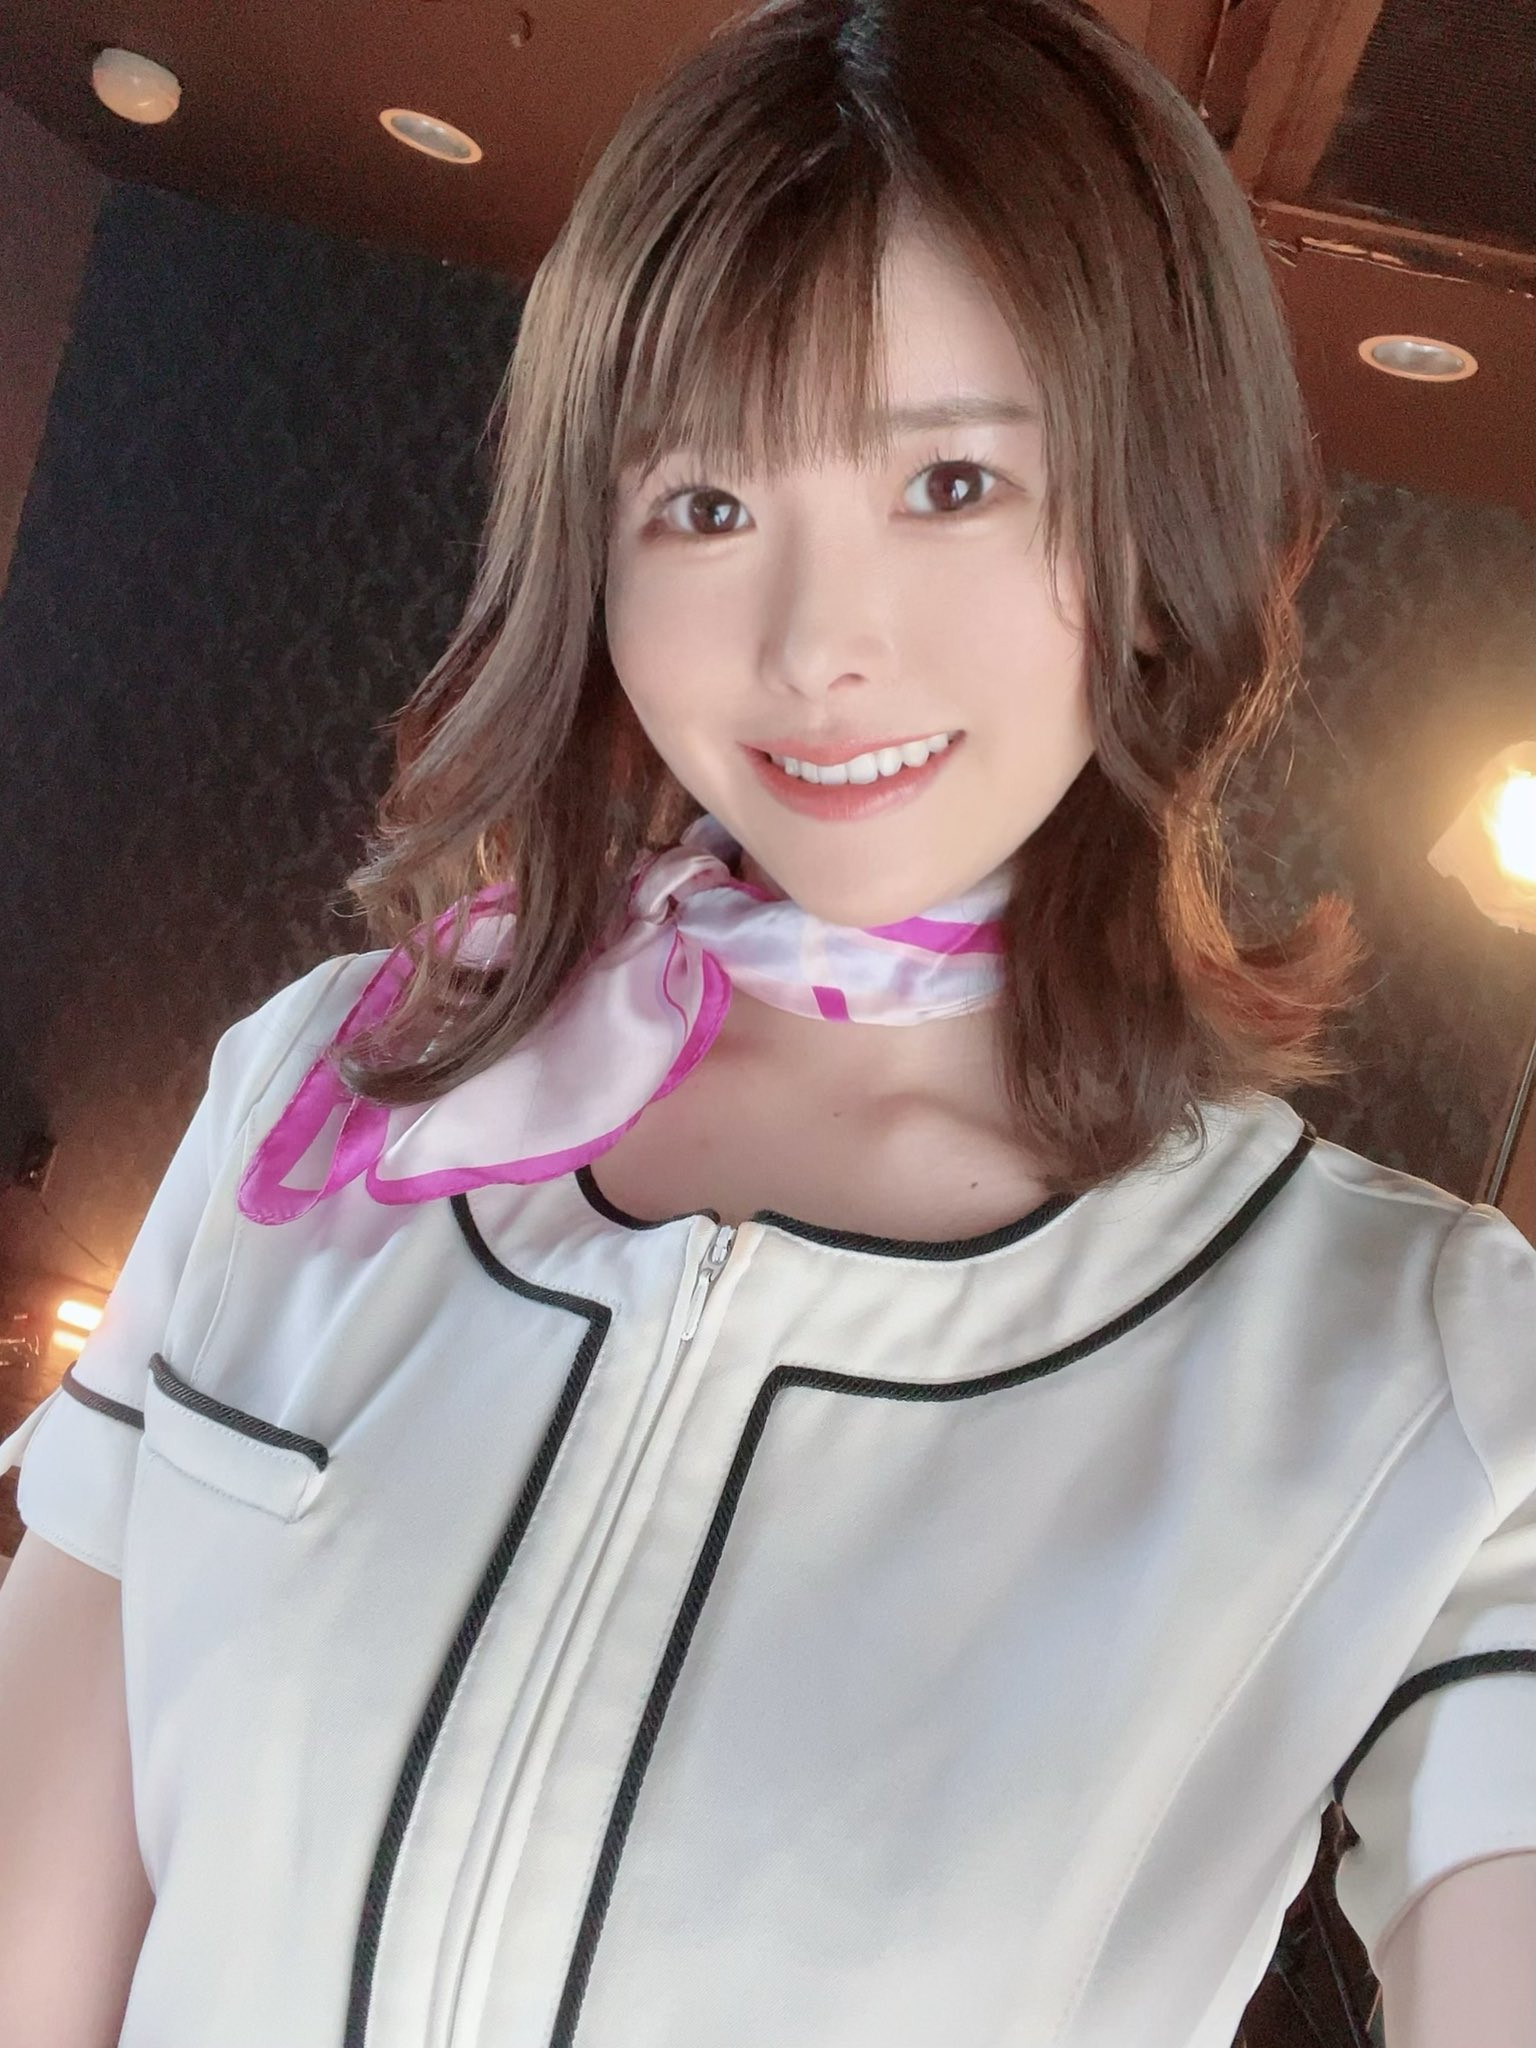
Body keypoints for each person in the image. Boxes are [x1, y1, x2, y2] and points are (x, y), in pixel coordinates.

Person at [2, 0, 1535, 2042]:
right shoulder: (323, 1099)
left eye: (956, 481)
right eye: (707, 506)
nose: (817, 647)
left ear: (1162, 528)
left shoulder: (1405, 1356)